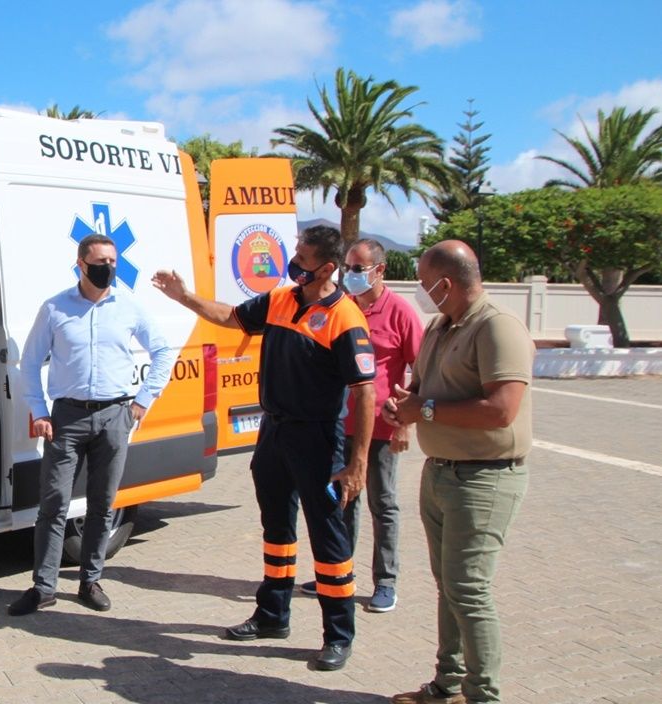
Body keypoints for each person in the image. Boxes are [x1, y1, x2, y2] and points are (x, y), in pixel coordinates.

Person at [153, 225, 376, 671]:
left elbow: (364, 393)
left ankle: (338, 634)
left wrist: (358, 464)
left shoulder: (345, 318)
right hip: (274, 434)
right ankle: (272, 615)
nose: (294, 262)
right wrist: (184, 297)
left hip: (318, 439)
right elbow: (230, 316)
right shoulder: (280, 299)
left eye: (302, 257)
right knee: (277, 528)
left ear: (327, 268)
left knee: (328, 537)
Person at [383, 240, 532, 704]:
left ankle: (483, 695)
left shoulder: (497, 328)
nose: (423, 292)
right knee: (448, 586)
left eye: (427, 284)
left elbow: (501, 410)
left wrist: (421, 410)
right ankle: (446, 686)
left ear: (446, 284)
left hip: (485, 478)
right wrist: (402, 407)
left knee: (468, 589)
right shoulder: (440, 326)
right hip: (441, 473)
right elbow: (422, 391)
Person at [8, 233, 175, 616]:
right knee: (53, 504)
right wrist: (40, 410)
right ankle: (44, 587)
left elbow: (163, 350)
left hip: (115, 416)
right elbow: (30, 363)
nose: (109, 269)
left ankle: (90, 581)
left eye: (113, 262)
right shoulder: (55, 308)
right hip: (66, 418)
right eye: (101, 262)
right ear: (81, 264)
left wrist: (142, 402)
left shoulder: (129, 306)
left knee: (102, 505)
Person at [299, 239, 422, 613]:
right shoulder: (340, 307)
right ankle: (339, 572)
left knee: (382, 504)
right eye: (346, 267)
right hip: (338, 426)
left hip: (381, 430)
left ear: (379, 270)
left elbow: (423, 370)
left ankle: (385, 581)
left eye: (357, 268)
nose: (348, 275)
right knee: (342, 501)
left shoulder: (401, 313)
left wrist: (405, 421)